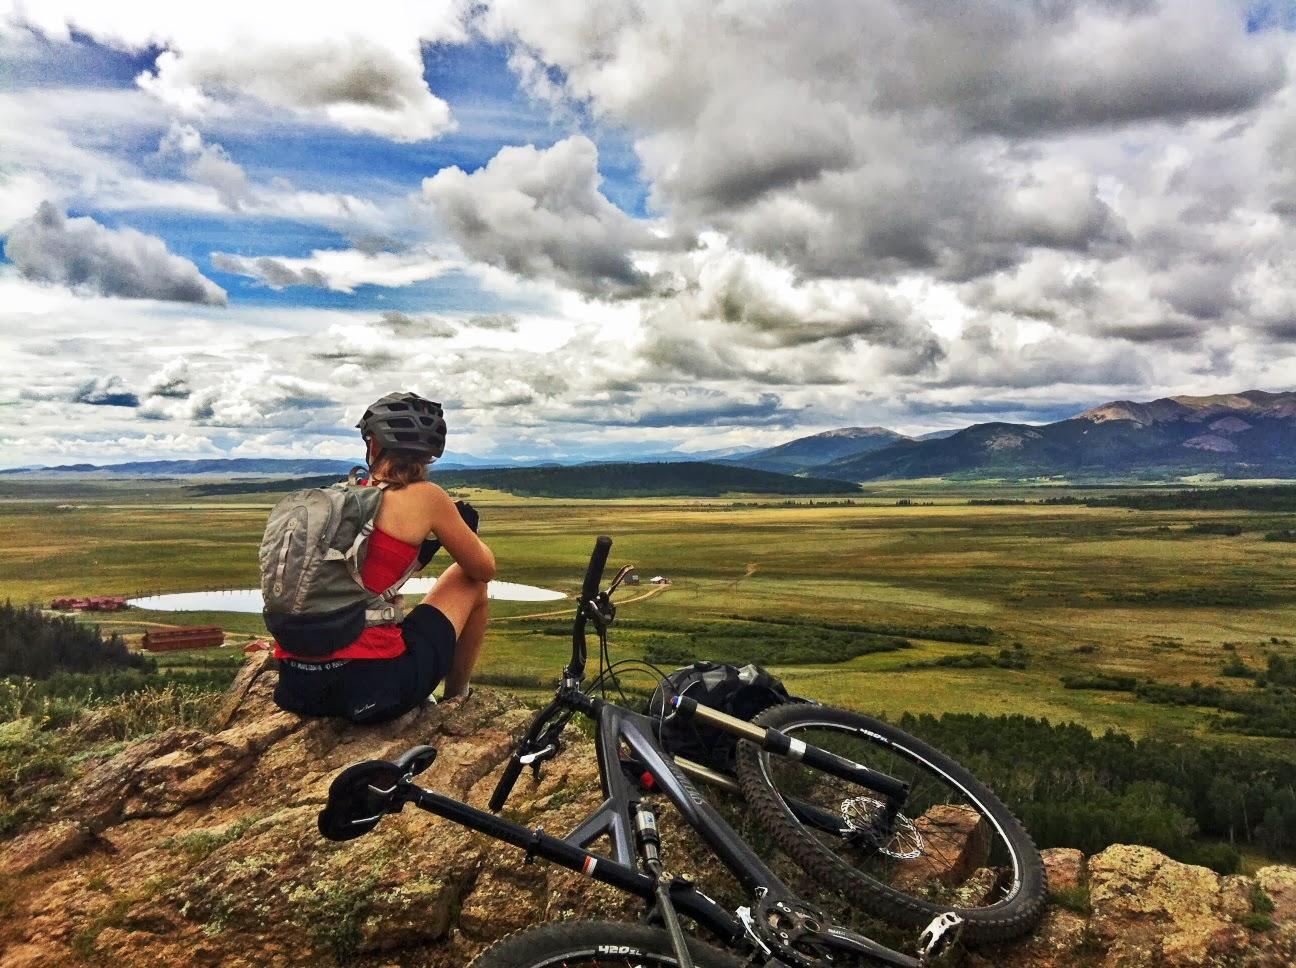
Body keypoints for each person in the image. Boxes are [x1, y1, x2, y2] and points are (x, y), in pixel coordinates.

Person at [272, 391, 495, 723]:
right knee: (470, 582)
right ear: (430, 455)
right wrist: (461, 530)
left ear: (373, 445)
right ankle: (457, 698)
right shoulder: (428, 497)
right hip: (374, 688)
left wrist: (419, 553)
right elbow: (484, 569)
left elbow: (366, 579)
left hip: (298, 687)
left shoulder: (345, 496)